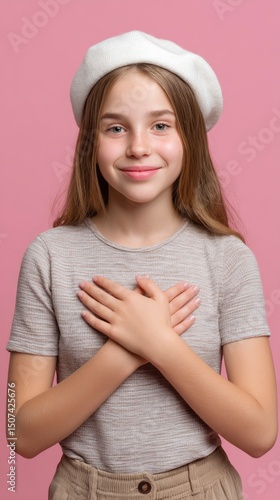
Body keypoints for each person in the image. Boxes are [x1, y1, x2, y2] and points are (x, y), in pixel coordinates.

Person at [6, 31, 277, 499]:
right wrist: (125, 350)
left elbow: (259, 432)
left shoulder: (227, 259)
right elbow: (18, 431)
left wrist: (163, 346)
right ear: (91, 142)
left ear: (189, 138)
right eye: (116, 128)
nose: (137, 147)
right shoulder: (49, 257)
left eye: (160, 126)